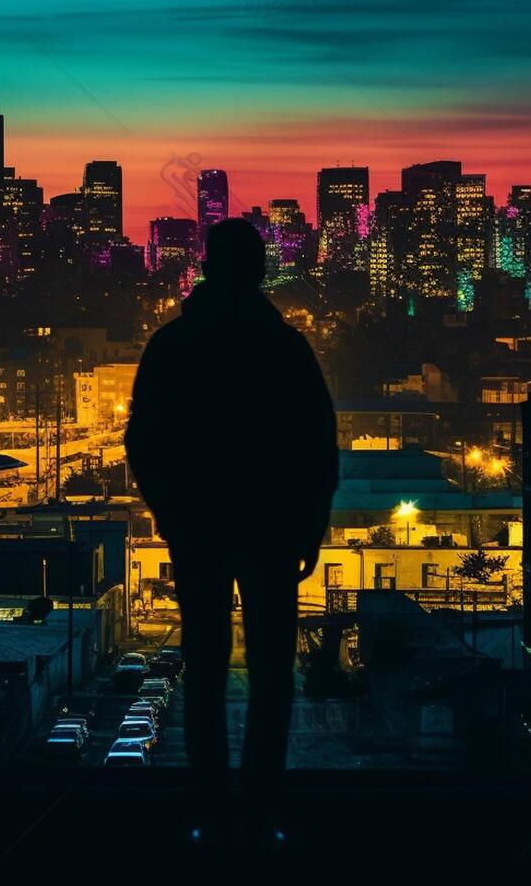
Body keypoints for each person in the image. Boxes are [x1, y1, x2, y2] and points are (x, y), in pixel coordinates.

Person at [124, 219, 339, 847]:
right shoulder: (286, 348)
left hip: (201, 529)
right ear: (260, 270)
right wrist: (309, 526)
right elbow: (317, 447)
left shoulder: (174, 345)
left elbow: (143, 440)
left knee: (207, 669)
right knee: (273, 674)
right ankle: (261, 813)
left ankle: (213, 814)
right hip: (271, 529)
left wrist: (170, 511)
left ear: (208, 268)